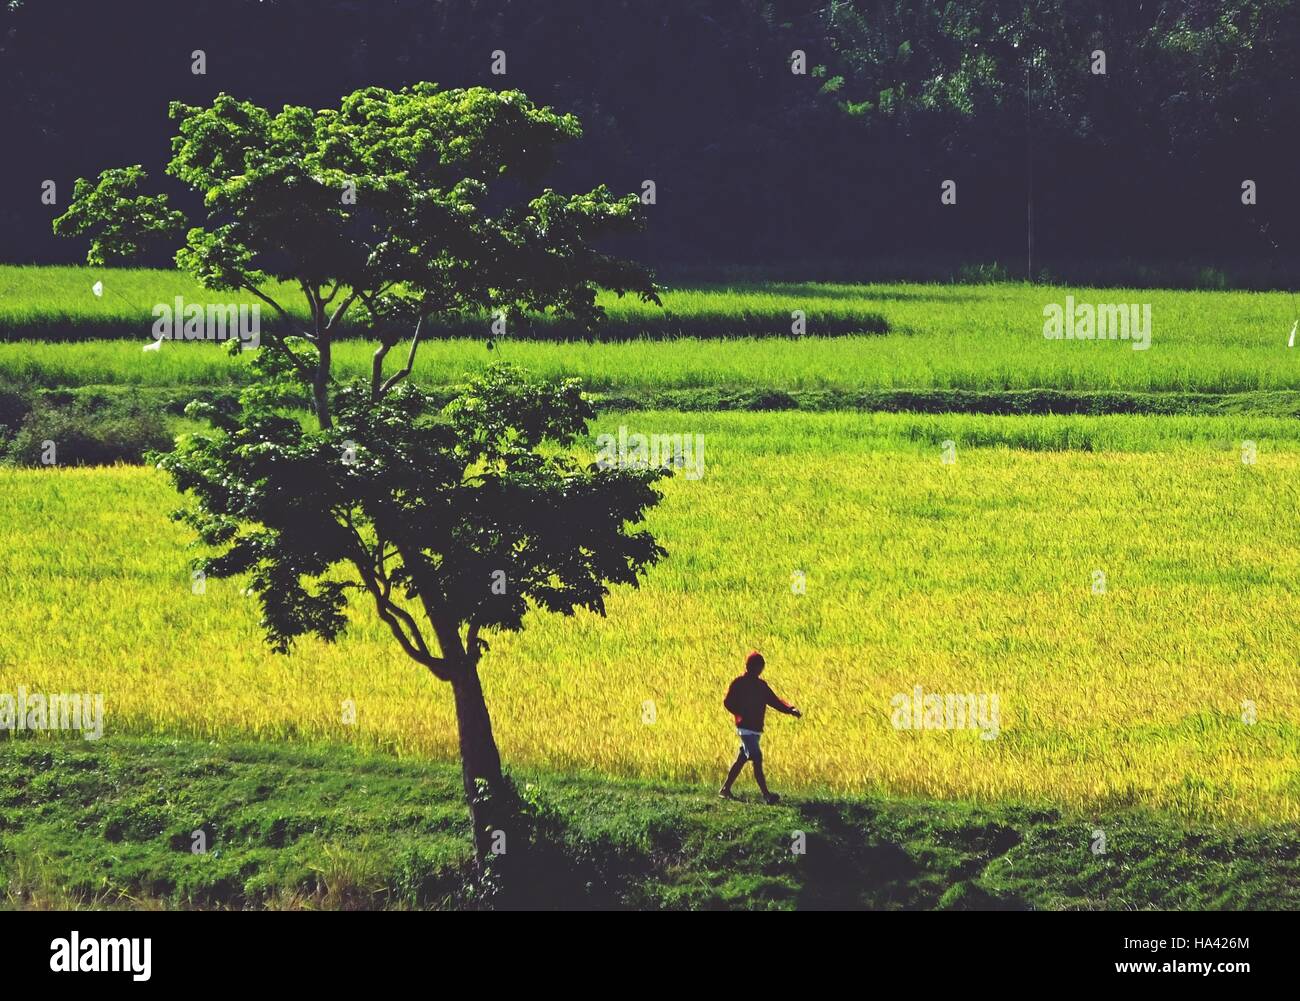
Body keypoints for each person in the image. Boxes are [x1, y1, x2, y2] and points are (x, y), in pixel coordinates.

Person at [719, 651, 801, 804]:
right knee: (757, 757)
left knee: (742, 758)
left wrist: (790, 709)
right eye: (758, 666)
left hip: (756, 730)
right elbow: (728, 702)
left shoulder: (761, 686)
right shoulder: (739, 683)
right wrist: (739, 713)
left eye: (760, 666)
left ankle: (725, 789)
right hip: (745, 729)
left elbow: (774, 701)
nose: (759, 669)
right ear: (750, 666)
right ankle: (766, 795)